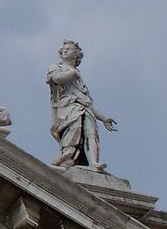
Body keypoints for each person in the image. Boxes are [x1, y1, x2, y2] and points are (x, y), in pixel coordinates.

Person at [47, 40, 118, 170]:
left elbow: (87, 102)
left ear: (77, 55)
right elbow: (57, 79)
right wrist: (72, 73)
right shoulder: (57, 67)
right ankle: (66, 159)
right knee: (73, 131)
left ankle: (93, 163)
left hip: (83, 108)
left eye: (69, 48)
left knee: (90, 133)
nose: (65, 50)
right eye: (64, 49)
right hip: (69, 108)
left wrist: (103, 118)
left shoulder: (79, 78)